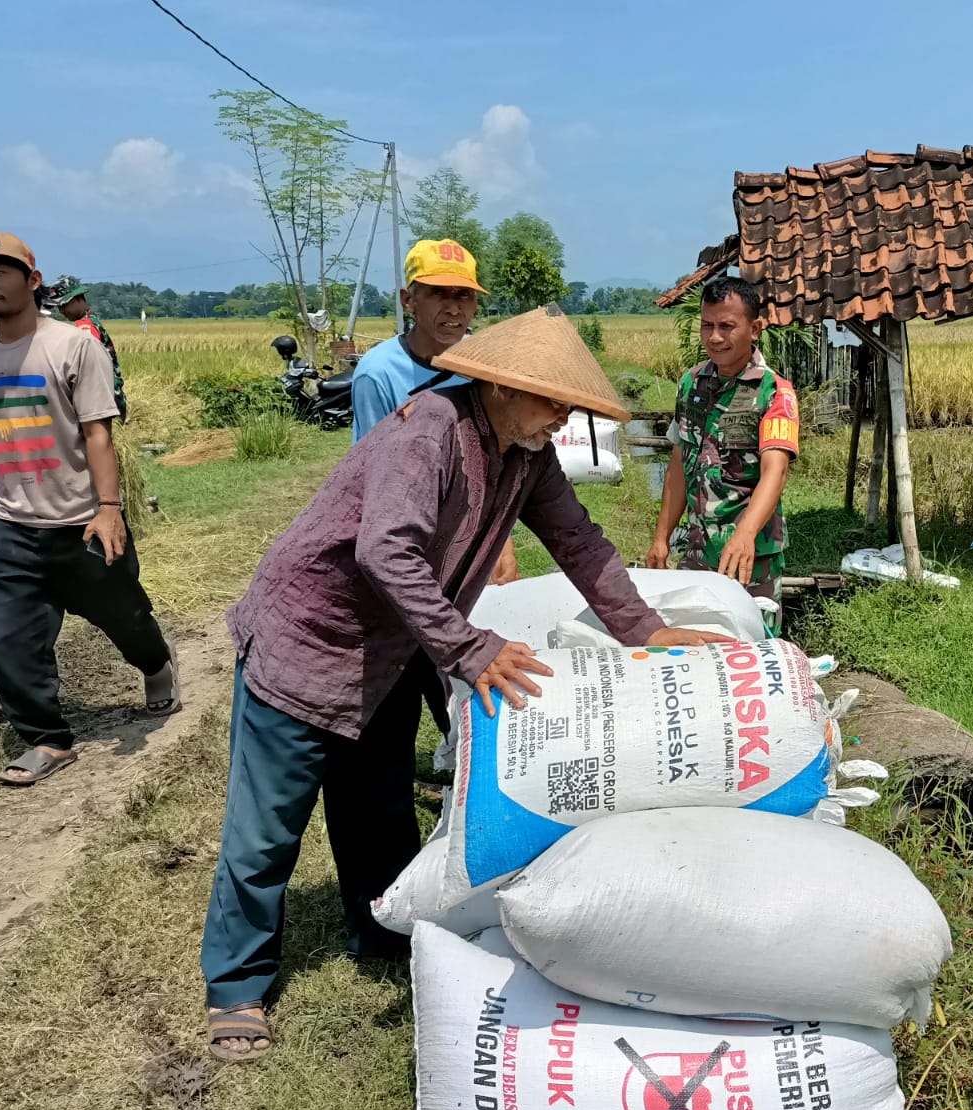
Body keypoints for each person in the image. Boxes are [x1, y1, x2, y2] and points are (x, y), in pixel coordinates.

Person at [201, 305, 731, 1062]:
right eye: (552, 401)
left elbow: (576, 539)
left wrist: (644, 630)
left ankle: (380, 931)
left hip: (390, 648)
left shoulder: (525, 452)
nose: (563, 416)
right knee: (265, 831)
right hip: (310, 639)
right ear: (504, 388)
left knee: (379, 809)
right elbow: (387, 553)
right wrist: (468, 645)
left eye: (570, 405)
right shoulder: (430, 433)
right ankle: (236, 986)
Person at [0, 232, 180, 787]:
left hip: (79, 520)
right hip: (10, 521)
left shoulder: (74, 346)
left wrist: (108, 509)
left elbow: (96, 433)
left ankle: (156, 665)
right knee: (7, 638)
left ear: (32, 281)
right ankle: (47, 739)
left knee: (124, 615)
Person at [351, 237, 518, 586]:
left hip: (473, 525)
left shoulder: (484, 366)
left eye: (464, 295)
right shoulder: (378, 373)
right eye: (438, 293)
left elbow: (494, 463)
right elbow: (373, 475)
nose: (454, 308)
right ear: (408, 300)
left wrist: (501, 544)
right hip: (406, 528)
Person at [646, 276, 798, 624]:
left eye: (727, 326)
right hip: (698, 550)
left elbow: (776, 471)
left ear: (755, 328)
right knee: (694, 645)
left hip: (750, 556)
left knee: (754, 652)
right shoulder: (690, 384)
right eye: (707, 325)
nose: (715, 337)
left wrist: (744, 535)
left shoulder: (774, 392)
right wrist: (661, 537)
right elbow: (679, 463)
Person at [45, 277, 127, 423]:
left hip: (100, 403)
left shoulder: (85, 328)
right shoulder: (92, 321)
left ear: (77, 298)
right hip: (111, 398)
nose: (61, 310)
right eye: (58, 307)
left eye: (64, 305)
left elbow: (86, 368)